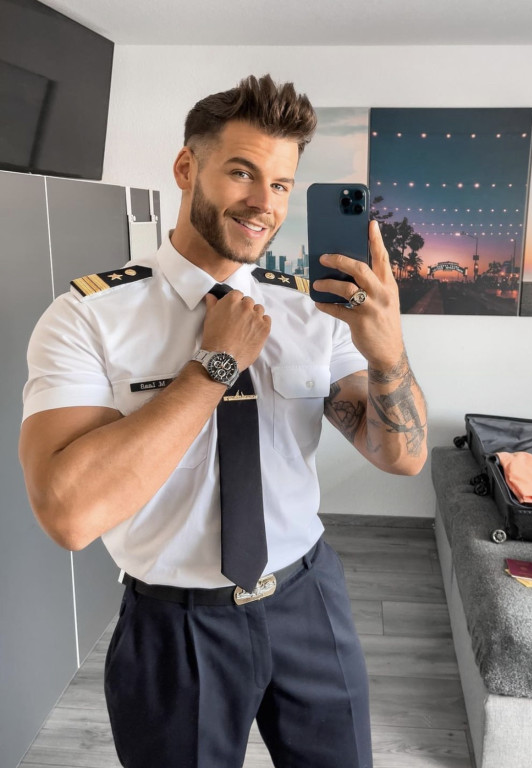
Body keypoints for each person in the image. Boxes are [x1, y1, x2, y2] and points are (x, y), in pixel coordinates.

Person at [19, 74, 427, 768]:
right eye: (242, 172)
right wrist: (212, 367)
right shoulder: (87, 319)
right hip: (175, 627)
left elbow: (402, 457)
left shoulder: (312, 311)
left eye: (281, 184)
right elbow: (69, 515)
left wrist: (388, 353)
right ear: (187, 168)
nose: (264, 202)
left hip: (309, 598)